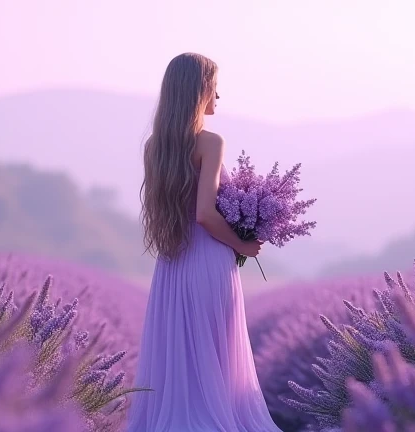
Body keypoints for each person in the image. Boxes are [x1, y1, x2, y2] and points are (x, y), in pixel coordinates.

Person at [125, 52, 282, 432]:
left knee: (180, 354)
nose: (218, 96)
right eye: (214, 87)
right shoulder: (210, 142)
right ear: (198, 91)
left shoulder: (155, 147)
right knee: (215, 351)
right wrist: (242, 245)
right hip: (208, 259)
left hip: (172, 262)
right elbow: (205, 214)